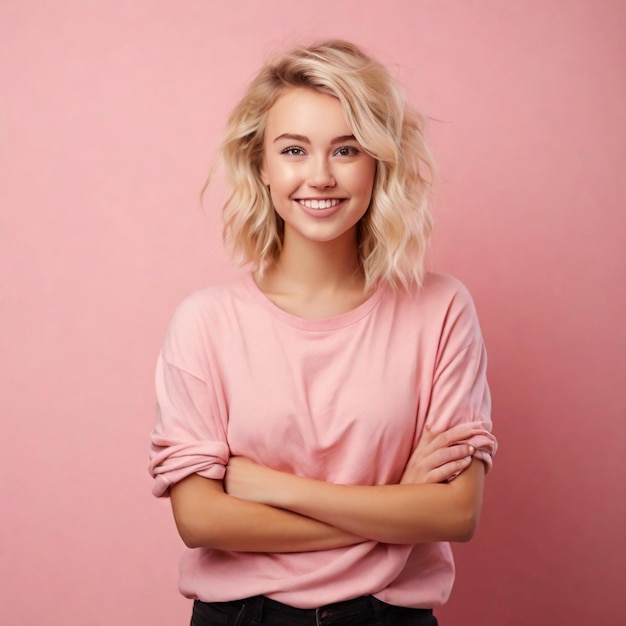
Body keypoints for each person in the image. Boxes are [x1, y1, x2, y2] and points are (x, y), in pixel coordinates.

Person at [149, 40, 497, 626]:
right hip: (242, 617)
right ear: (261, 164)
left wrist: (267, 487)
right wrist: (395, 505)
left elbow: (456, 514)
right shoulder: (205, 322)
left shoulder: (441, 309)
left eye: (346, 149)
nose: (319, 176)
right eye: (293, 149)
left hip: (388, 617)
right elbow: (202, 520)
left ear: (378, 161)